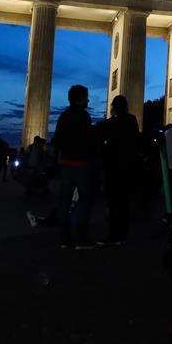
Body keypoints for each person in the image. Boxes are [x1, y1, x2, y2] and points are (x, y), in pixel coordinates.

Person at [53, 85, 97, 250]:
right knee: (84, 201)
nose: (88, 100)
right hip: (82, 165)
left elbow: (57, 140)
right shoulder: (84, 116)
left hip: (66, 164)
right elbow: (89, 140)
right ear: (80, 98)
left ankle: (65, 239)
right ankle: (82, 239)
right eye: (86, 97)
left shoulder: (63, 116)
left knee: (65, 202)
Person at [99, 95, 141, 245]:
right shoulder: (132, 120)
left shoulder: (108, 124)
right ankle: (122, 233)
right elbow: (136, 140)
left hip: (112, 167)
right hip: (127, 166)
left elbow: (102, 143)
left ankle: (113, 234)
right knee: (124, 202)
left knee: (113, 202)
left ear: (113, 107)